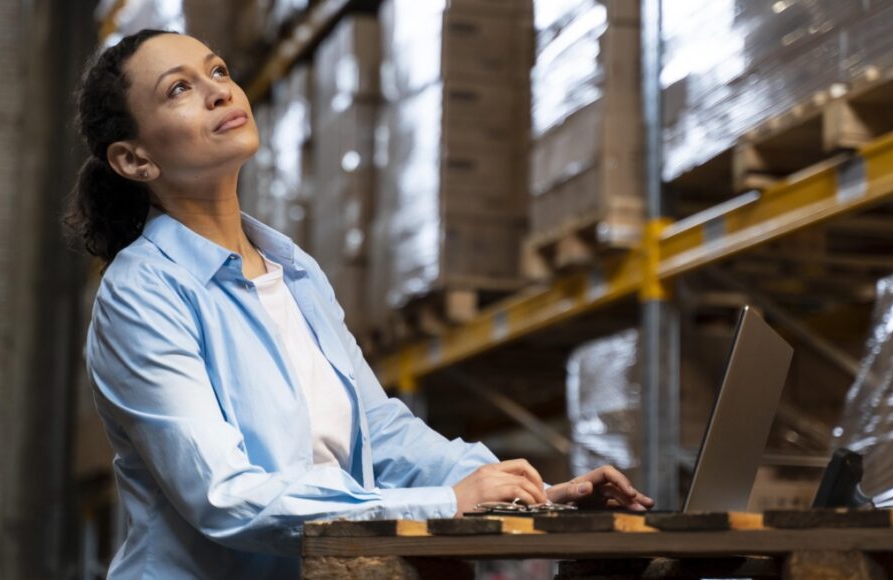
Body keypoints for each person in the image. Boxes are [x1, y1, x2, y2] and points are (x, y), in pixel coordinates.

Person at [65, 29, 653, 579]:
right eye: (180, 89)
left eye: (217, 70)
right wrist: (446, 503)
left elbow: (379, 434)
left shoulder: (293, 271)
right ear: (134, 160)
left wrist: (522, 491)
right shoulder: (142, 292)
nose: (219, 91)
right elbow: (223, 496)